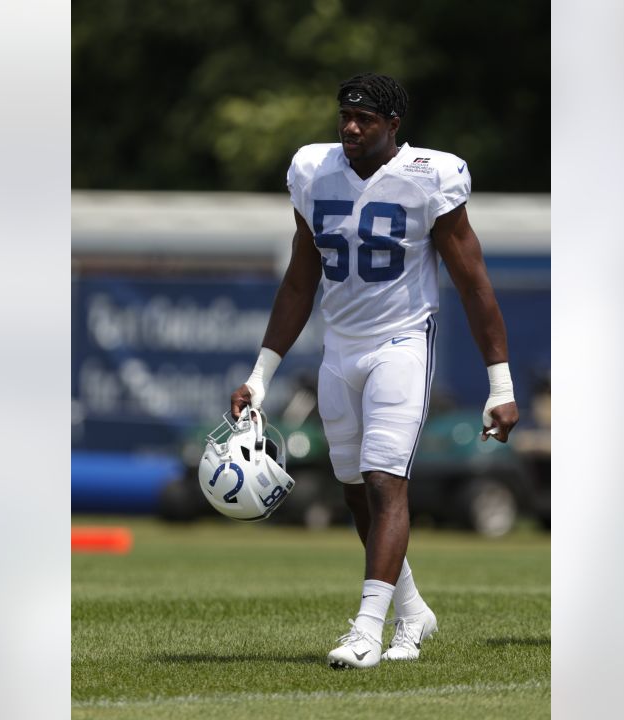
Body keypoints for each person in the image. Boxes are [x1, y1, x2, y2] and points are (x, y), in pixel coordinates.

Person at [230, 73, 519, 669]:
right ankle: (413, 613)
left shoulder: (430, 178)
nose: (351, 127)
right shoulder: (313, 171)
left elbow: (473, 283)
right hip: (339, 347)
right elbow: (300, 278)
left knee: (386, 480)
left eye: (365, 119)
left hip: (402, 341)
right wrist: (261, 375)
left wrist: (501, 385)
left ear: (394, 126)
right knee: (356, 492)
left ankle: (367, 630)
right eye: (345, 116)